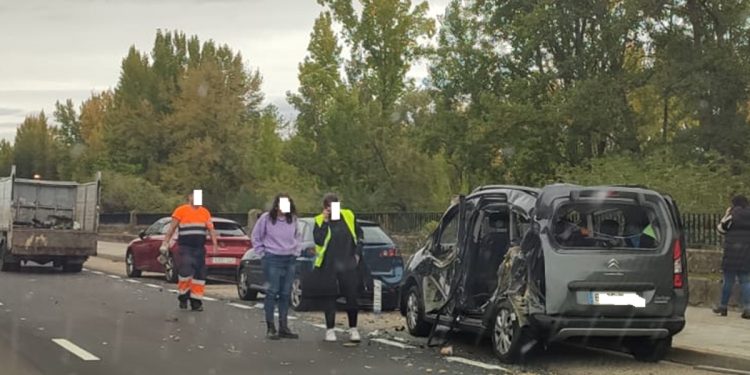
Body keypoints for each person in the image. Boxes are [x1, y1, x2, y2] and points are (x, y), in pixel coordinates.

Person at [312, 193, 364, 342]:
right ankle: (330, 329)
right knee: (330, 297)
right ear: (325, 208)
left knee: (352, 296)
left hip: (348, 263)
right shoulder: (319, 220)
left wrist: (357, 254)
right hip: (328, 265)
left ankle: (353, 329)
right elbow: (319, 240)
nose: (333, 209)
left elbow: (359, 235)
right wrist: (325, 221)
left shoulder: (348, 215)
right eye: (329, 207)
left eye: (335, 205)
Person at [251, 194, 301, 340]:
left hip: (289, 258)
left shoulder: (293, 219)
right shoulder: (266, 219)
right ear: (276, 205)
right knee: (272, 292)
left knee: (286, 293)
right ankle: (270, 326)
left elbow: (298, 236)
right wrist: (262, 253)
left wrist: (295, 252)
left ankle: (283, 326)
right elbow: (256, 236)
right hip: (272, 258)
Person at [162, 191, 218, 312]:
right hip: (185, 247)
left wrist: (215, 244)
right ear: (190, 197)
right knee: (186, 271)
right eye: (195, 196)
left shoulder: (205, 212)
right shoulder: (181, 211)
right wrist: (165, 243)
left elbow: (211, 229)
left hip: (199, 248)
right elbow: (172, 228)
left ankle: (196, 301)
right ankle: (183, 295)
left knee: (199, 274)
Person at [714, 195, 750, 319]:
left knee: (728, 281)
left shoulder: (732, 215)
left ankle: (723, 307)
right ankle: (748, 308)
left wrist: (726, 214)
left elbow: (721, 229)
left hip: (731, 252)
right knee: (745, 281)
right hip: (746, 253)